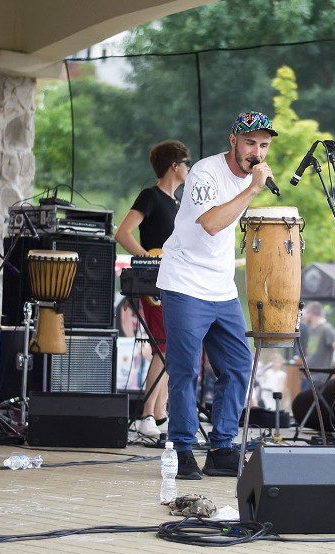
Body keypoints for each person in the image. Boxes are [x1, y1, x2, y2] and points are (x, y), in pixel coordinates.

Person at [156, 111, 277, 479]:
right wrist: (252, 189)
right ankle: (182, 450)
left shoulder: (245, 180)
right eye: (250, 143)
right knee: (185, 371)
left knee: (239, 365)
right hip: (184, 284)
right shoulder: (205, 173)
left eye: (264, 145)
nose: (256, 151)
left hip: (221, 289)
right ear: (233, 141)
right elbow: (210, 223)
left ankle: (222, 447)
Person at [115, 140, 191, 437]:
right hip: (155, 281)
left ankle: (159, 413)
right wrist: (148, 259)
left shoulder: (178, 204)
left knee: (170, 346)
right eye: (187, 162)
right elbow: (122, 232)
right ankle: (147, 414)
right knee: (162, 344)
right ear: (175, 165)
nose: (189, 168)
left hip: (174, 280)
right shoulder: (151, 196)